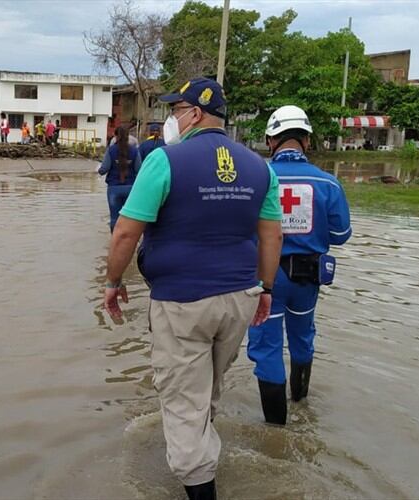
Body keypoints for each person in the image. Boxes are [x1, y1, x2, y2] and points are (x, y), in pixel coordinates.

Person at [102, 77, 283, 500]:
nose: (173, 118)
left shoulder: (165, 161)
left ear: (196, 113)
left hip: (183, 302)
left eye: (177, 110)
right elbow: (272, 235)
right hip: (240, 299)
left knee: (184, 402)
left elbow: (126, 232)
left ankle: (200, 481)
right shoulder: (261, 168)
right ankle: (202, 447)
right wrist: (266, 288)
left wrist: (113, 281)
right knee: (208, 388)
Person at [247, 105, 352, 426]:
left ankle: (275, 431)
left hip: (265, 278)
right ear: (307, 140)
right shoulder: (329, 184)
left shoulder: (256, 178)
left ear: (270, 140)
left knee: (267, 346)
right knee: (303, 337)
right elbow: (341, 235)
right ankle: (300, 402)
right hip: (308, 278)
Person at [97, 125, 142, 231]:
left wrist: (98, 169)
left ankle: (114, 239)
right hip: (130, 188)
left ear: (115, 136)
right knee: (129, 217)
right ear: (128, 136)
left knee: (114, 218)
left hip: (114, 189)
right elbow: (139, 170)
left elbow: (104, 169)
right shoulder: (135, 151)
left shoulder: (111, 150)